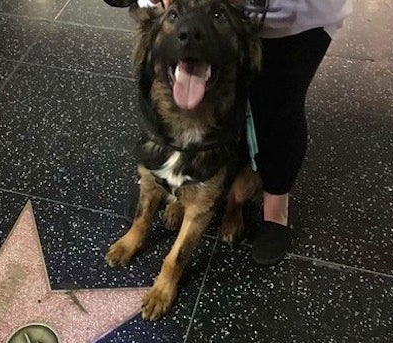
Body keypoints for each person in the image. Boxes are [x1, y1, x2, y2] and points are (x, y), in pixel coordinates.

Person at [133, 0, 353, 265]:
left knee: (279, 107)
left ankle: (273, 203)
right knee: (174, 104)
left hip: (289, 16)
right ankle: (168, 185)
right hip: (204, 11)